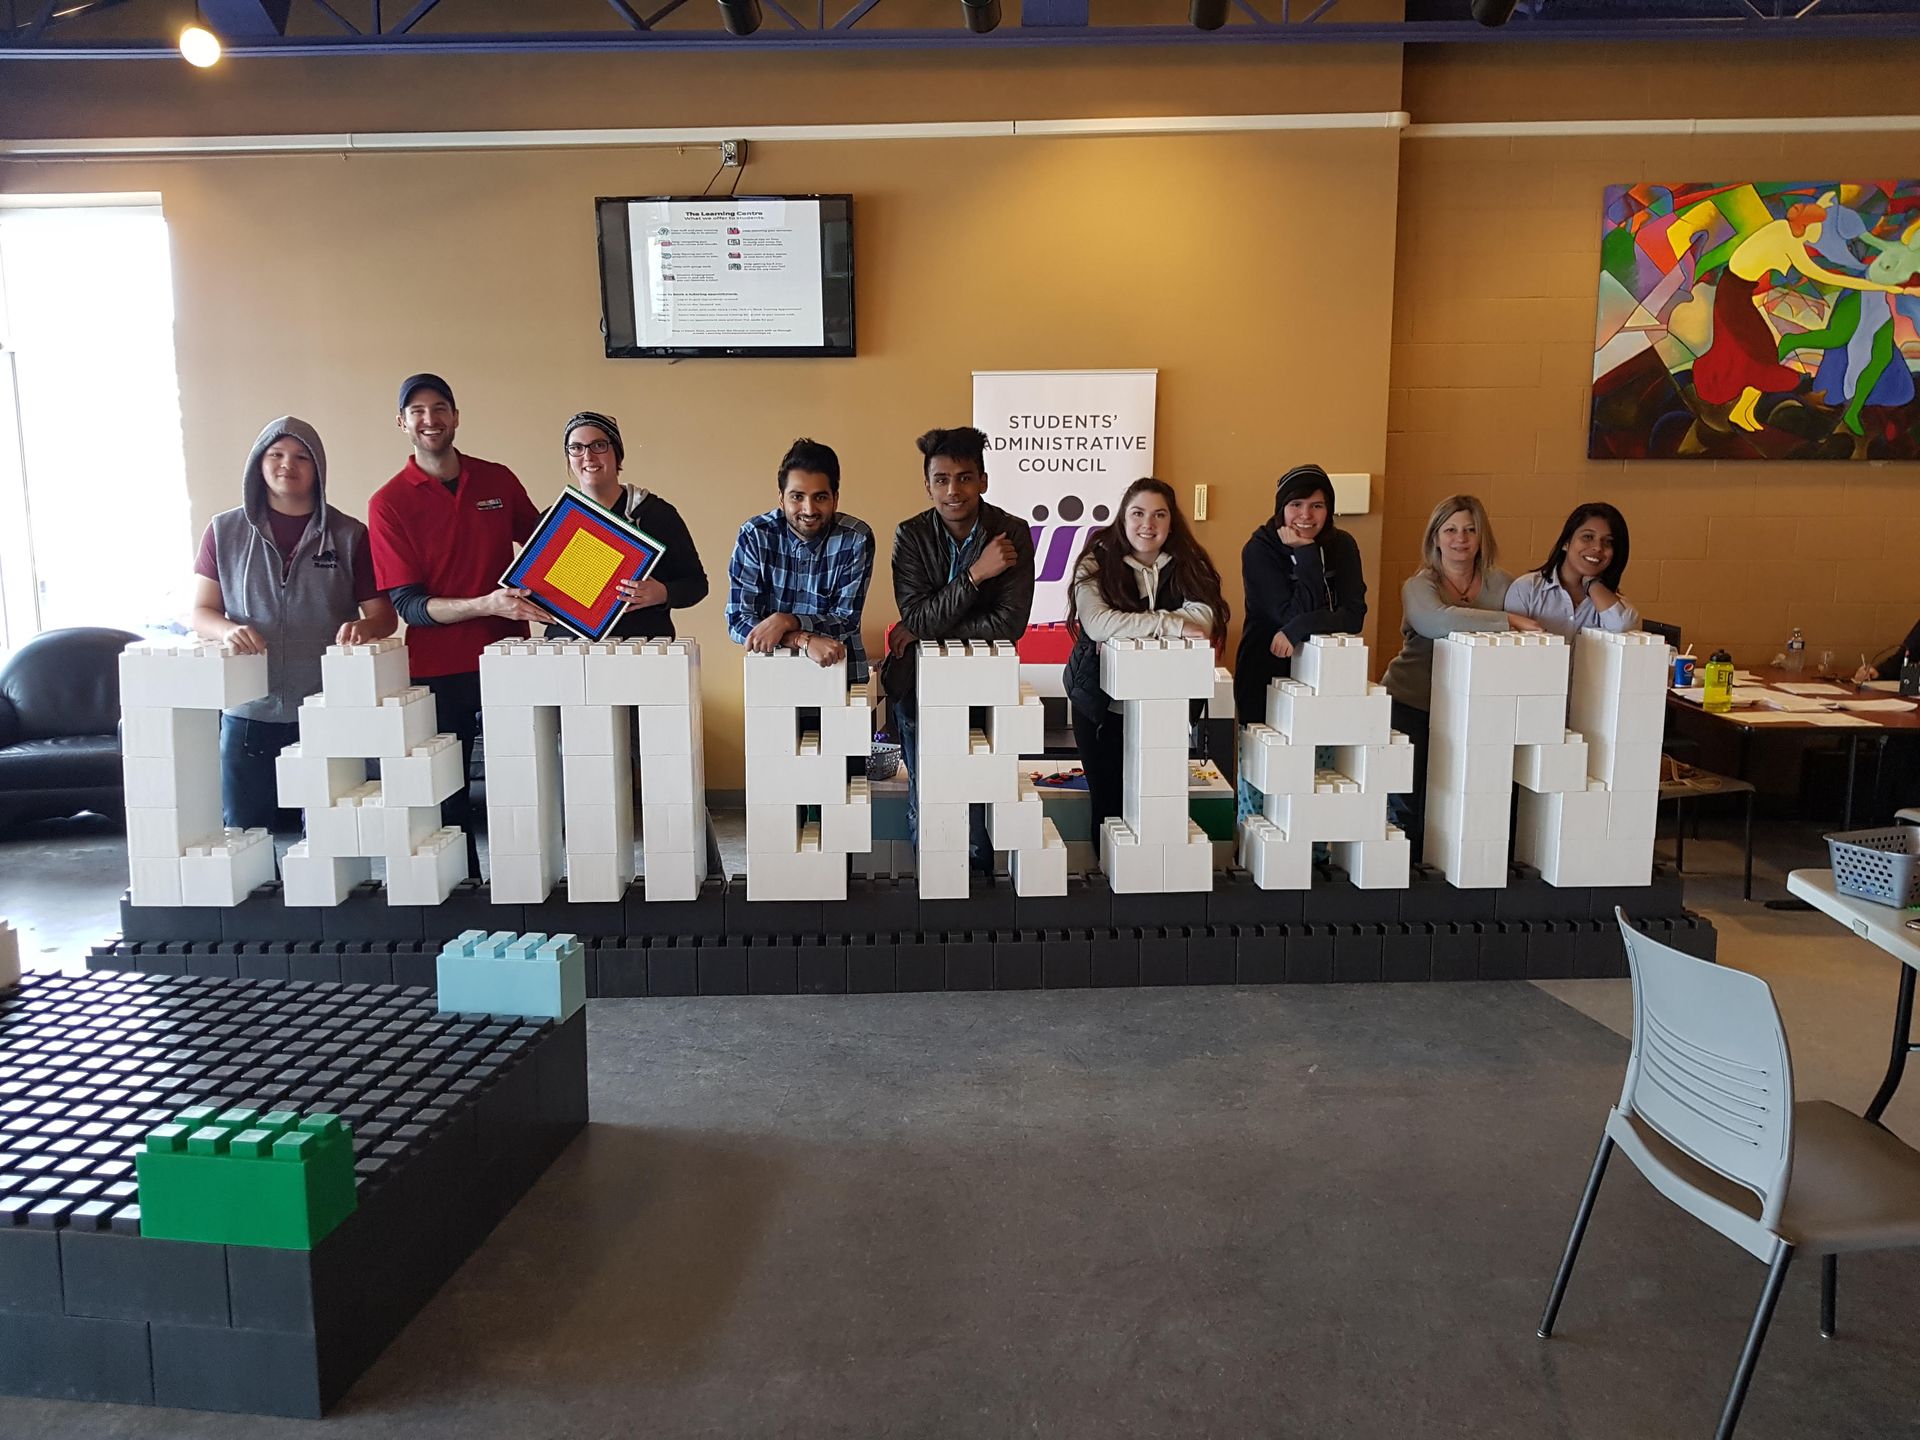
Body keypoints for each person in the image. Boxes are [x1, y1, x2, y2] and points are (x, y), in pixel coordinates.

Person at [367, 373, 545, 877]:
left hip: (509, 657)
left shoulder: (497, 480)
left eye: (440, 408)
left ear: (456, 417)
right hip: (439, 669)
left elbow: (547, 553)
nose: (430, 419)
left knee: (523, 779)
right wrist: (487, 605)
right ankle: (461, 885)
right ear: (402, 422)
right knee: (447, 788)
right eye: (418, 411)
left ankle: (526, 881)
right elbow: (410, 606)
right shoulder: (388, 503)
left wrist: (609, 579)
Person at [187, 417, 397, 830]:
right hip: (248, 713)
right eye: (276, 454)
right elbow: (200, 612)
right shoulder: (224, 531)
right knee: (246, 835)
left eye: (302, 456)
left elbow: (384, 615)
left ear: (318, 468)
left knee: (331, 836)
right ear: (258, 463)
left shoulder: (349, 534)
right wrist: (227, 630)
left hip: (326, 709)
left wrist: (365, 629)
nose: (288, 464)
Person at [882, 425, 1035, 869]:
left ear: (983, 481)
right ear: (927, 485)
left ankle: (981, 900)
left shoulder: (1012, 532)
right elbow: (917, 617)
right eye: (942, 479)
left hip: (984, 687)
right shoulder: (910, 535)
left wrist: (931, 622)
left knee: (981, 796)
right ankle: (929, 894)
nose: (954, 490)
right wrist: (976, 575)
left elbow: (1009, 625)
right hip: (921, 687)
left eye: (965, 478)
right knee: (927, 796)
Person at [1064, 478, 1226, 832]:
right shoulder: (1095, 563)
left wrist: (1132, 625)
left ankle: (1152, 882)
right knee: (1107, 803)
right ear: (1123, 518)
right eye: (1137, 513)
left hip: (1165, 704)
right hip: (1100, 705)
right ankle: (1108, 881)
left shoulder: (1189, 564)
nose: (1147, 525)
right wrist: (1171, 624)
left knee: (1157, 800)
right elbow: (1097, 623)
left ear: (1172, 522)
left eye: (1159, 515)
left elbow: (1204, 619)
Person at [1379, 495, 1537, 860]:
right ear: (1435, 538)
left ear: (1482, 537)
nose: (1460, 539)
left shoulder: (1503, 584)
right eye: (1450, 530)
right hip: (1413, 702)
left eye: (1470, 530)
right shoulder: (1419, 586)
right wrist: (1506, 621)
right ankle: (1409, 880)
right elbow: (1437, 622)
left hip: (1476, 709)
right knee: (1412, 800)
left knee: (1474, 797)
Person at [546, 411, 708, 641]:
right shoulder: (554, 521)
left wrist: (662, 593)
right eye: (576, 448)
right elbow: (541, 601)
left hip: (642, 648)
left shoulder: (656, 514)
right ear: (568, 458)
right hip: (571, 651)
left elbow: (696, 585)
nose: (588, 456)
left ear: (617, 454)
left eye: (599, 445)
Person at [725, 437, 875, 679]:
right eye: (797, 496)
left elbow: (846, 620)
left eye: (820, 497)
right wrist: (801, 639)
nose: (809, 509)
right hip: (771, 676)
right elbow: (738, 620)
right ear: (781, 499)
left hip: (839, 673)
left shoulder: (855, 538)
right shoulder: (754, 535)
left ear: (835, 498)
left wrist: (787, 620)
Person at [1233, 463, 1368, 725]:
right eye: (1296, 504)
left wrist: (1303, 626)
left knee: (1323, 762)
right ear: (1281, 508)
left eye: (1317, 506)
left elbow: (1354, 617)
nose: (1306, 515)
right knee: (1269, 761)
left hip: (1326, 671)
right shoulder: (1259, 548)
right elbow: (1289, 615)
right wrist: (1306, 552)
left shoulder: (1342, 545)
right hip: (1267, 671)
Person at [1504, 502, 1639, 639]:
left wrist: (1592, 585)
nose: (1598, 548)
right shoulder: (1526, 589)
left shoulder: (1615, 603)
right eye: (1588, 537)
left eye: (1608, 542)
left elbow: (1625, 631)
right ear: (1566, 543)